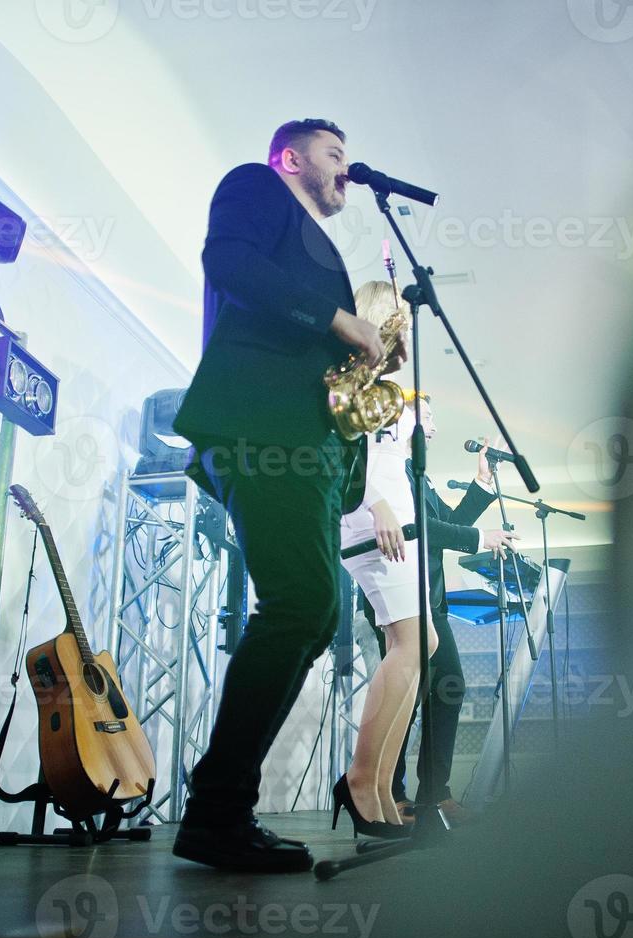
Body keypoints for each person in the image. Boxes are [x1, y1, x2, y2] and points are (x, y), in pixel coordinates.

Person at [170, 119, 403, 873]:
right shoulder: (253, 184)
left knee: (310, 609)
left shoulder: (319, 245)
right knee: (303, 605)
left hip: (298, 441)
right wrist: (341, 321)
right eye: (334, 154)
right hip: (260, 429)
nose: (346, 167)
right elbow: (229, 263)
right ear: (290, 158)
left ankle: (219, 809)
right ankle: (214, 812)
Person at [332, 280, 517, 836]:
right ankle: (364, 781)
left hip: (400, 523)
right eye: (402, 327)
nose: (407, 338)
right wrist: (378, 502)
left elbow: (421, 494)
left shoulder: (389, 387)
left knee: (424, 647)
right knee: (414, 649)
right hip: (375, 518)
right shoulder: (355, 377)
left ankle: (381, 787)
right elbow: (349, 450)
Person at [359, 390, 511, 828]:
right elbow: (426, 531)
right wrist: (481, 540)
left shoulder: (417, 475)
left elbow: (451, 523)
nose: (434, 427)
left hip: (430, 600)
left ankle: (427, 794)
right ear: (400, 420)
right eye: (426, 417)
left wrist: (481, 482)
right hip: (399, 597)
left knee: (440, 688)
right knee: (412, 692)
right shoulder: (389, 472)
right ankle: (397, 793)